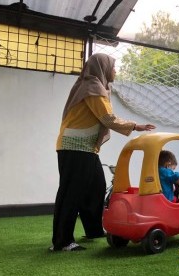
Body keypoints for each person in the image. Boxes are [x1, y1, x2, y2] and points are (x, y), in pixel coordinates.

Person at [51, 53, 156, 252]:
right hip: (75, 147)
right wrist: (136, 126)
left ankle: (93, 230)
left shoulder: (94, 86)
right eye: (113, 67)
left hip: (84, 148)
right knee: (70, 194)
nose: (115, 71)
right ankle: (62, 241)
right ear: (103, 67)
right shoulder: (92, 87)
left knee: (96, 187)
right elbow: (108, 118)